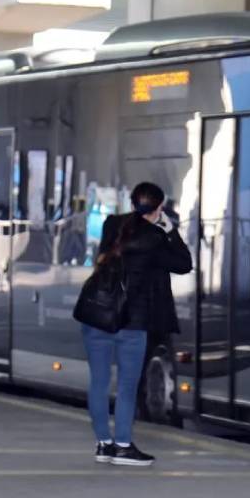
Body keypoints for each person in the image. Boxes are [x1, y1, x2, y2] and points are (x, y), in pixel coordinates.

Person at [84, 182, 192, 466]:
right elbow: (184, 264)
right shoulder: (156, 239)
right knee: (128, 386)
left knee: (99, 382)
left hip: (98, 317)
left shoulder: (111, 225)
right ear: (159, 208)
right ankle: (122, 445)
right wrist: (169, 229)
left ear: (132, 204)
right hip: (132, 323)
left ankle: (103, 445)